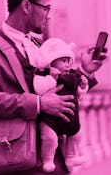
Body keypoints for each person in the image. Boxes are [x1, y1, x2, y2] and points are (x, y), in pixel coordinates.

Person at [0, 0, 106, 174]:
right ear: (26, 6)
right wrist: (39, 103)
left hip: (57, 163)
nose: (49, 16)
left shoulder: (42, 48)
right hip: (18, 164)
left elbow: (61, 89)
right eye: (46, 8)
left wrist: (85, 71)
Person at [32, 38, 89, 172]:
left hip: (70, 117)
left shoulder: (73, 75)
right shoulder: (43, 74)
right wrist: (52, 78)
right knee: (50, 139)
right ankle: (47, 160)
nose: (67, 64)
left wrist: (83, 85)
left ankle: (71, 156)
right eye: (63, 61)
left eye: (68, 61)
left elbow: (79, 93)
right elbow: (38, 89)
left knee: (76, 135)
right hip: (50, 119)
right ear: (52, 62)